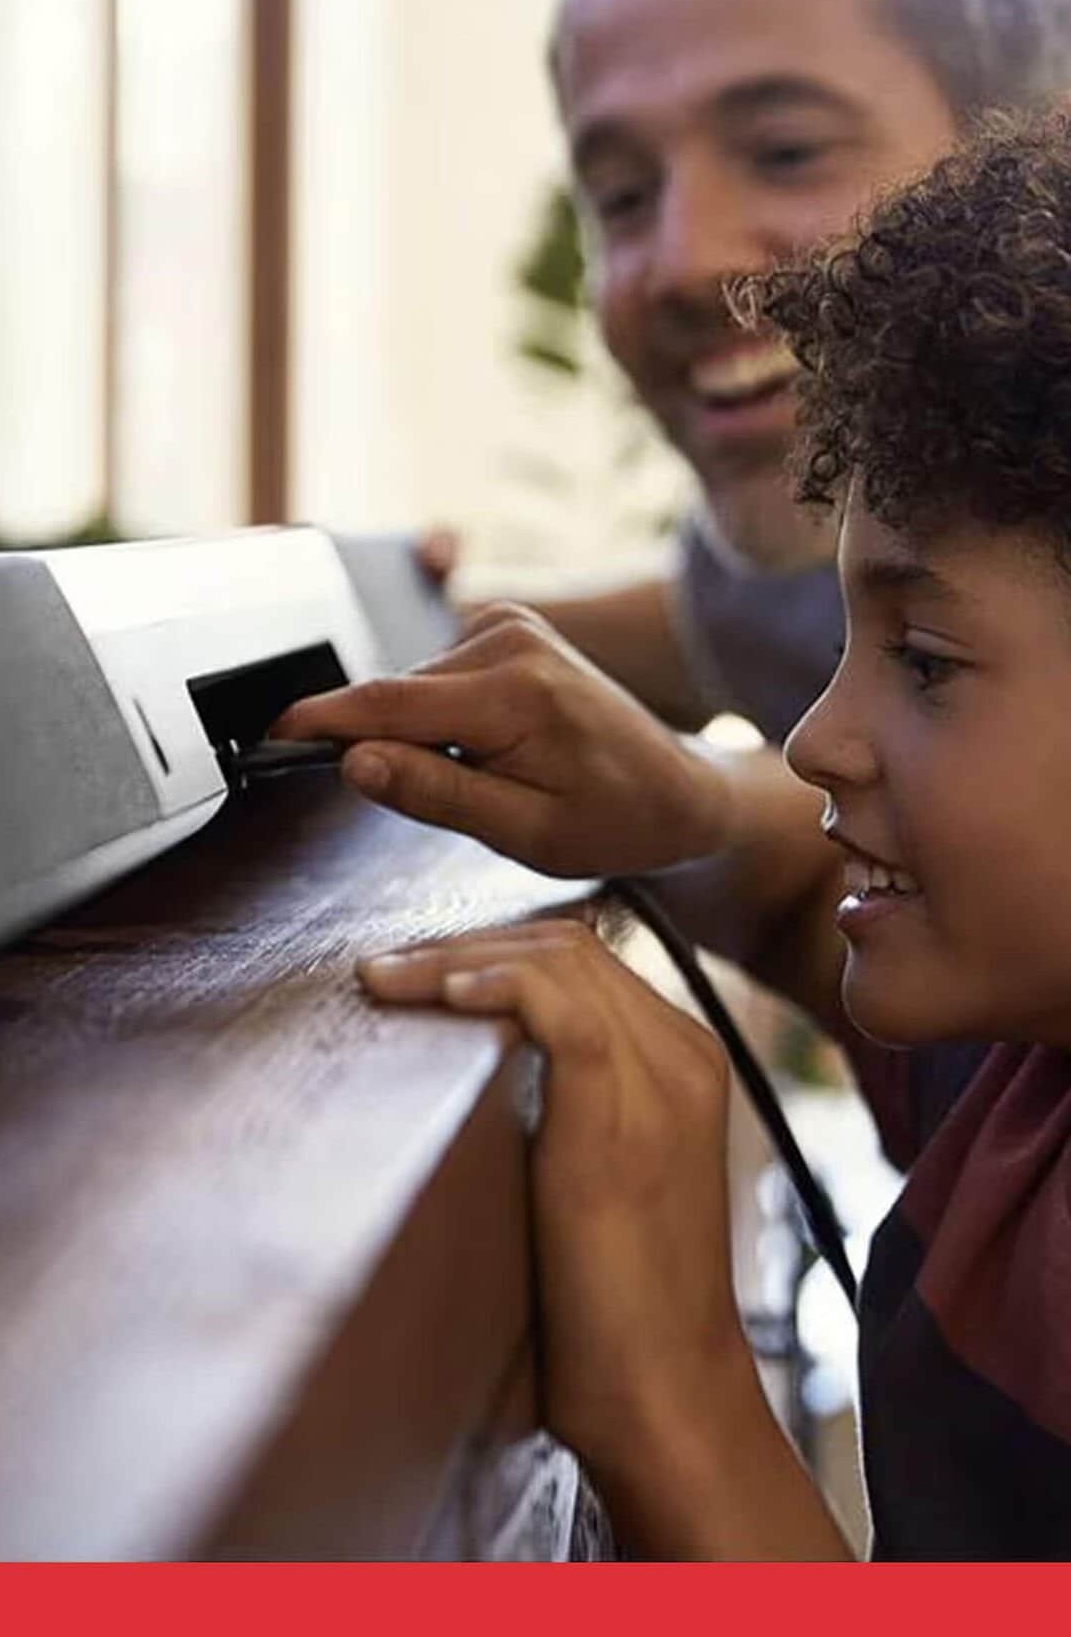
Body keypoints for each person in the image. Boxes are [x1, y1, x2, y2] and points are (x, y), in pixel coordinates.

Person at [361, 109, 1071, 1559]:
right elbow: (795, 877)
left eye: (924, 659)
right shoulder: (1020, 1065)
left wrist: (672, 1399)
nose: (811, 737)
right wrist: (674, 804)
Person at [282, 0, 1071, 1140]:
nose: (680, 260)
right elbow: (684, 627)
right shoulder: (765, 573)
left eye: (785, 150)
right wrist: (351, 617)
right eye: (619, 192)